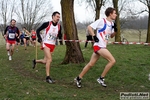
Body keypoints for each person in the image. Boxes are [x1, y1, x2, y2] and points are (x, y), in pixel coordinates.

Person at [74, 7, 118, 88]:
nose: (116, 15)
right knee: (112, 61)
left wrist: (115, 30)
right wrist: (94, 36)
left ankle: (78, 78)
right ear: (110, 14)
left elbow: (111, 36)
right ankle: (101, 78)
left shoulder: (112, 24)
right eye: (115, 13)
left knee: (91, 64)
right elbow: (89, 27)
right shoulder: (102, 21)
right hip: (99, 46)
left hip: (103, 46)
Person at [32, 11, 62, 84]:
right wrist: (39, 38)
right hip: (46, 44)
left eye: (59, 17)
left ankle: (35, 61)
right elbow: (38, 30)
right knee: (49, 59)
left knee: (45, 61)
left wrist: (60, 38)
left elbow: (59, 34)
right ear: (53, 16)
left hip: (52, 45)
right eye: (57, 16)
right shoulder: (47, 24)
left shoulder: (59, 26)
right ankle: (48, 77)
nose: (58, 18)